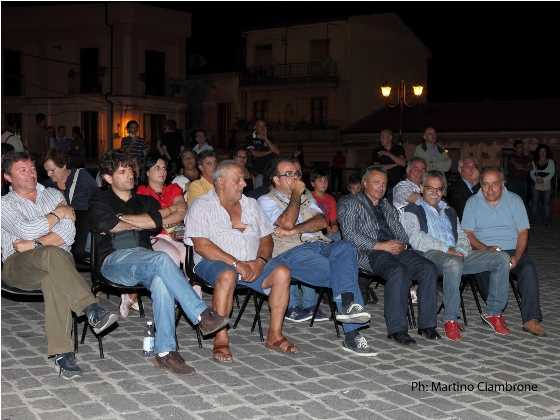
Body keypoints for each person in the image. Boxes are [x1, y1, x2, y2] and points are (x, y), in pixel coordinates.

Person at [89, 150, 229, 374]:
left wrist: (127, 220)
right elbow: (110, 224)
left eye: (131, 170)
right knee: (162, 259)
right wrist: (140, 222)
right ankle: (202, 314)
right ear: (108, 178)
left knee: (161, 281)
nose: (130, 175)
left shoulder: (144, 200)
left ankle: (165, 352)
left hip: (146, 261)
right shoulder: (99, 199)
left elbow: (155, 222)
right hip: (113, 261)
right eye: (122, 172)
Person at [1, 151, 118, 379]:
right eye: (22, 170)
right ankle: (90, 307)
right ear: (8, 177)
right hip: (17, 266)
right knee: (54, 254)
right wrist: (57, 215)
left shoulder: (52, 194)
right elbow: (25, 230)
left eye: (32, 168)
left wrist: (34, 242)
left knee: (53, 274)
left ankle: (63, 354)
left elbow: (68, 232)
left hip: (55, 263)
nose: (30, 174)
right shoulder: (4, 204)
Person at [258, 158, 375, 355]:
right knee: (344, 274)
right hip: (291, 252)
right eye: (289, 174)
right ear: (276, 180)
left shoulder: (307, 197)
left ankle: (347, 307)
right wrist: (295, 194)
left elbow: (322, 221)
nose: (295, 177)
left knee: (346, 247)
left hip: (321, 244)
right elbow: (285, 222)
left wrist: (295, 228)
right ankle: (352, 332)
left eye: (297, 173)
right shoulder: (265, 201)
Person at [184, 160, 297, 362]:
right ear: (220, 182)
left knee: (282, 272)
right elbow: (202, 246)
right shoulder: (201, 205)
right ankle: (220, 337)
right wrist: (237, 263)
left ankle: (275, 335)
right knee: (227, 274)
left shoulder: (251, 204)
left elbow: (266, 239)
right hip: (212, 263)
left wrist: (260, 261)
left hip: (252, 264)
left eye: (243, 180)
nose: (244, 184)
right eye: (238, 180)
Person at [400, 170, 511, 340]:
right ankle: (451, 318)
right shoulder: (412, 210)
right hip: (428, 255)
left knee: (501, 258)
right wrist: (447, 249)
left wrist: (462, 251)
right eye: (430, 188)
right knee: (453, 263)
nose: (435, 193)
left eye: (439, 189)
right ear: (421, 188)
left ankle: (494, 313)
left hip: (456, 255)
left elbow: (461, 236)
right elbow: (416, 239)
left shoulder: (449, 211)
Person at [338, 167, 440, 345]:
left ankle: (427, 325)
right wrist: (381, 245)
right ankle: (397, 329)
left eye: (384, 183)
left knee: (428, 268)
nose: (381, 187)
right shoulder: (350, 202)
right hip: (370, 252)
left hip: (395, 249)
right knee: (397, 271)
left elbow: (400, 232)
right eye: (376, 182)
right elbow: (350, 234)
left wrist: (403, 245)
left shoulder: (386, 205)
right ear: (364, 183)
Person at [462, 167, 545, 337]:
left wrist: (517, 257)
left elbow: (523, 232)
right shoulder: (472, 202)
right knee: (483, 268)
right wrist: (485, 249)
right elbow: (467, 233)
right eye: (485, 184)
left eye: (494, 184)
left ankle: (531, 319)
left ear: (502, 184)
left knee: (528, 268)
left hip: (512, 248)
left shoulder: (514, 200)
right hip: (484, 248)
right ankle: (494, 310)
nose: (490, 189)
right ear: (480, 185)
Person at [43, 149, 98, 261]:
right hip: (60, 229)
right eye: (46, 171)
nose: (49, 174)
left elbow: (88, 206)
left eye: (52, 170)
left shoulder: (82, 178)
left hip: (82, 229)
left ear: (63, 165)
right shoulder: (47, 185)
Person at [246, 119, 280, 188]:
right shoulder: (249, 138)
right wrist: (270, 151)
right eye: (260, 125)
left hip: (271, 171)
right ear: (255, 127)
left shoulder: (270, 138)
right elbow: (255, 154)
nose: (262, 128)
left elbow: (277, 152)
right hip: (258, 172)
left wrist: (265, 139)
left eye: (264, 125)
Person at [530, 144, 555, 226]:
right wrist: (536, 179)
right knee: (535, 202)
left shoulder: (551, 161)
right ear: (538, 152)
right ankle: (533, 220)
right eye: (541, 151)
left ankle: (547, 220)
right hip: (536, 184)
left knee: (547, 203)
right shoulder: (534, 161)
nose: (543, 153)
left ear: (547, 152)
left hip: (547, 184)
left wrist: (543, 180)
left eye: (544, 151)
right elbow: (531, 173)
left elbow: (552, 173)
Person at [310, 169, 340, 240]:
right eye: (320, 181)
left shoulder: (331, 199)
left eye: (325, 180)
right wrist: (325, 227)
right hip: (311, 231)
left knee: (338, 235)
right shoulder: (307, 197)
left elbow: (333, 220)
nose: (324, 183)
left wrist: (334, 225)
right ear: (312, 183)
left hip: (326, 232)